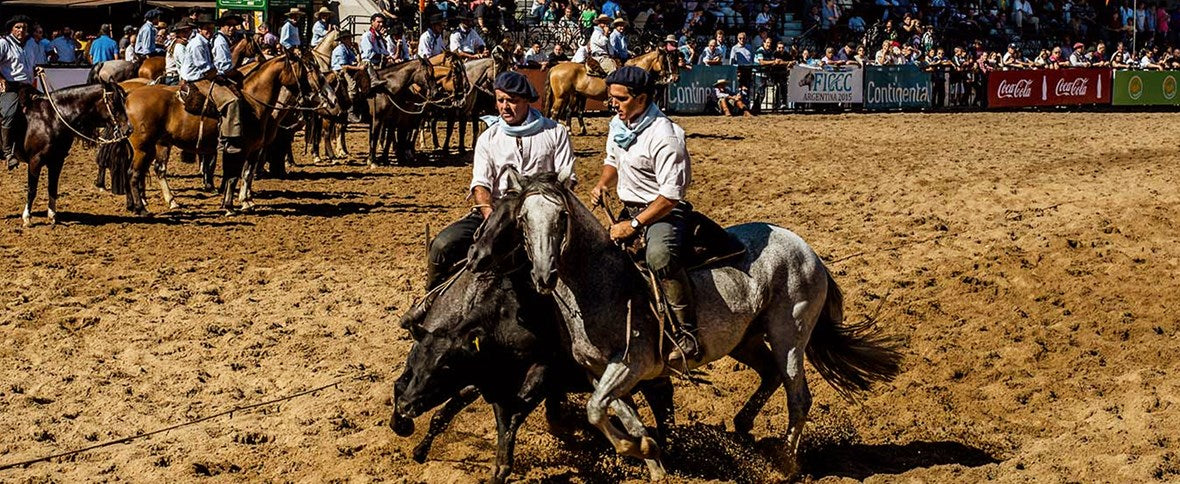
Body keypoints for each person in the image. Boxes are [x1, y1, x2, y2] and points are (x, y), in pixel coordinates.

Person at [589, 66, 700, 361]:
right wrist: (602, 183)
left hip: (662, 213)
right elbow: (612, 160)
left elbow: (671, 196)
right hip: (630, 209)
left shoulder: (665, 135)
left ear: (642, 99)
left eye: (620, 99)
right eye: (611, 98)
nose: (613, 104)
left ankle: (686, 333)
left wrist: (634, 225)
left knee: (659, 257)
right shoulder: (619, 124)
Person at [425, 71, 575, 289]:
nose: (505, 107)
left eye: (513, 101)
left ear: (527, 101)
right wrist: (490, 218)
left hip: (542, 215)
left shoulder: (555, 132)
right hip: (498, 211)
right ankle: (430, 298)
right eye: (500, 100)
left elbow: (567, 179)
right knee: (442, 245)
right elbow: (480, 184)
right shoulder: (489, 138)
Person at [182, 15, 245, 156]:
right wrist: (220, 77)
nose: (209, 30)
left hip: (205, 76)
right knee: (232, 100)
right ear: (199, 29)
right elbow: (206, 69)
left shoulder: (205, 42)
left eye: (211, 27)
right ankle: (229, 139)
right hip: (198, 80)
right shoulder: (198, 44)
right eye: (206, 28)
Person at [1, 15, 34, 170]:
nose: (21, 30)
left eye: (24, 28)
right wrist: (1, 79)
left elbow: (26, 66)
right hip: (10, 87)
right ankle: (7, 152)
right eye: (18, 27)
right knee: (9, 113)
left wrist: (36, 69)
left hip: (26, 86)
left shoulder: (28, 45)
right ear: (11, 29)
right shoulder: (4, 43)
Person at [331, 31, 363, 107]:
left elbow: (357, 60)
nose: (351, 40)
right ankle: (350, 110)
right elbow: (344, 66)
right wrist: (359, 68)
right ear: (343, 40)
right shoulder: (340, 49)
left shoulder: (348, 49)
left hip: (348, 68)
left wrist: (357, 50)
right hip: (340, 71)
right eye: (349, 38)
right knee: (353, 88)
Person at [163, 20, 193, 85]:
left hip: (170, 75)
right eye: (184, 32)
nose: (187, 34)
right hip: (175, 77)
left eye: (188, 31)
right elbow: (185, 64)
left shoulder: (175, 42)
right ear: (178, 33)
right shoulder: (180, 46)